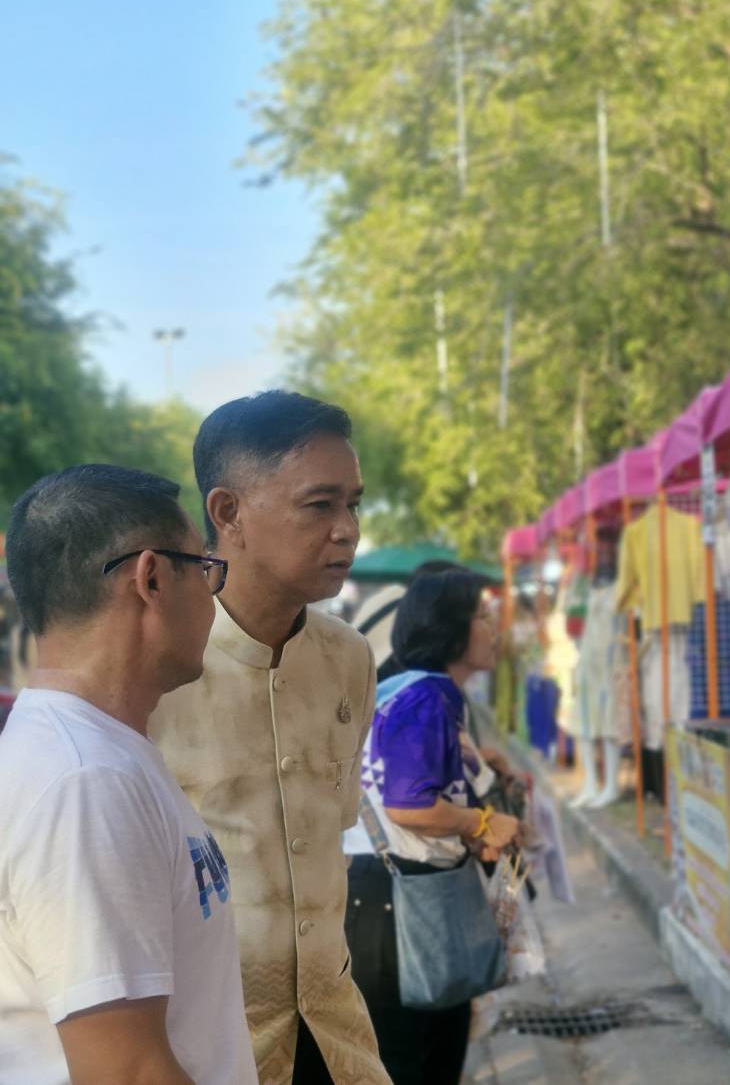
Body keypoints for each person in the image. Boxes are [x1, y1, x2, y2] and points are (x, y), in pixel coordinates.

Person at [148, 391, 391, 1085]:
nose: (346, 530)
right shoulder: (157, 670)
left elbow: (337, 826)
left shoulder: (349, 658)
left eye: (353, 504)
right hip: (207, 1054)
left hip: (338, 1039)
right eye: (319, 505)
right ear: (228, 513)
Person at [0, 465, 256, 1084]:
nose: (213, 594)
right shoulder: (87, 782)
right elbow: (126, 1072)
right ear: (151, 578)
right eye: (204, 567)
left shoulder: (97, 753)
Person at [343, 568, 521, 1085]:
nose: (494, 628)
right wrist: (483, 822)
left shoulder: (407, 687)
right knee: (421, 1060)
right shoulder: (429, 697)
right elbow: (410, 804)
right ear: (451, 629)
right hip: (398, 907)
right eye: (482, 617)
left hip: (380, 895)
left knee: (417, 1053)